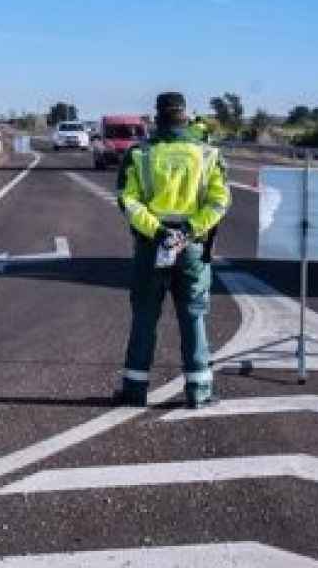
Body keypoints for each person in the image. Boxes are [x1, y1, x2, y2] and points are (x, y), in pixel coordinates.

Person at [115, 92, 230, 408]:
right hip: (192, 247)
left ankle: (135, 390)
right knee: (193, 317)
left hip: (152, 246)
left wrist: (159, 231)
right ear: (186, 117)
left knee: (144, 317)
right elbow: (219, 202)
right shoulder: (207, 155)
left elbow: (128, 200)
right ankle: (199, 391)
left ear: (157, 118)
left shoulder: (141, 154)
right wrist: (190, 231)